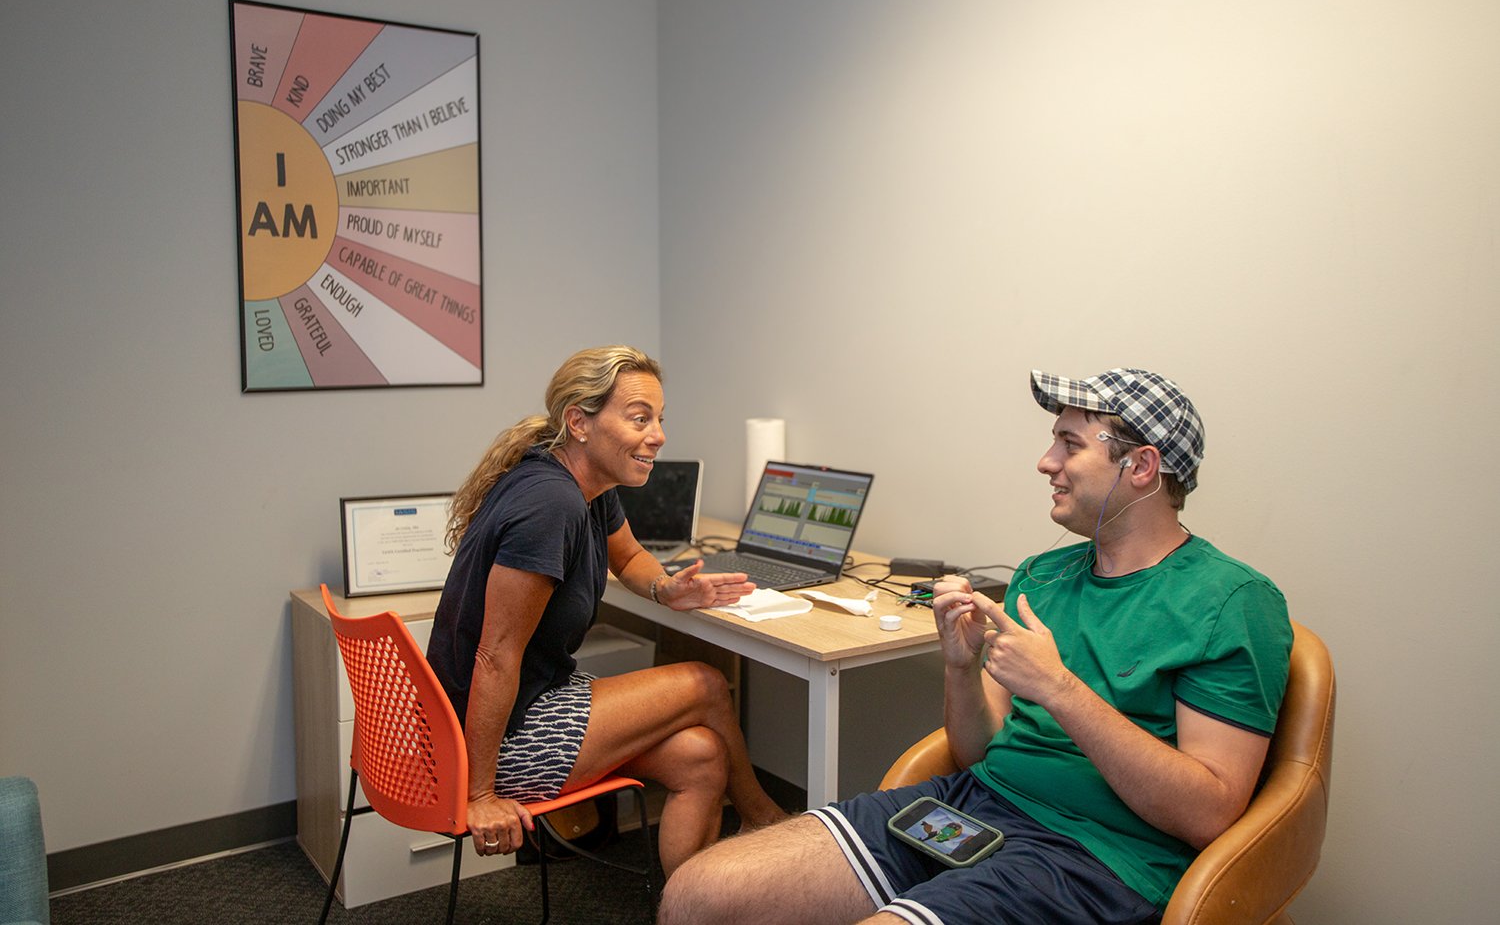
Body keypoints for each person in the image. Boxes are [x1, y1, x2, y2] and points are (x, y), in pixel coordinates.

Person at [657, 368, 1292, 925]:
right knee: (700, 894)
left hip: (1099, 856)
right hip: (978, 805)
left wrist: (1059, 688)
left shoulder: (1232, 603)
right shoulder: (1043, 574)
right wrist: (960, 667)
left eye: (1070, 444)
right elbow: (974, 752)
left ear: (1141, 467)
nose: (1046, 462)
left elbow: (1209, 812)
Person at [425, 344, 786, 877]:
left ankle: (691, 909)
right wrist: (479, 793)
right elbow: (496, 657)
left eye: (660, 419)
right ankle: (765, 823)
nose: (658, 435)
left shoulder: (589, 484)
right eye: (640, 418)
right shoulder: (551, 503)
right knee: (707, 684)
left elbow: (632, 556)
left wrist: (668, 590)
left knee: (703, 756)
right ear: (580, 422)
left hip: (527, 699)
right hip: (492, 737)